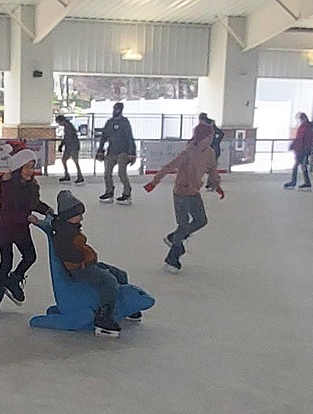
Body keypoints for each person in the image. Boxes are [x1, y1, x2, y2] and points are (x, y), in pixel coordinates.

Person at [52, 190, 135, 338]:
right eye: (78, 215)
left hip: (87, 264)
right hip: (79, 269)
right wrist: (83, 256)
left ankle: (123, 305)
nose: (81, 217)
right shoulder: (63, 232)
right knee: (109, 281)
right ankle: (103, 317)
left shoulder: (69, 227)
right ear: (68, 217)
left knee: (120, 274)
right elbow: (65, 253)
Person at [144, 123, 225, 273]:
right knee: (183, 225)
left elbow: (212, 170)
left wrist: (217, 185)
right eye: (209, 137)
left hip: (194, 192)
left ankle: (173, 237)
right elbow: (169, 167)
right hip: (181, 193)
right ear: (201, 137)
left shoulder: (210, 153)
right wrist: (154, 182)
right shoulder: (188, 153)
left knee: (201, 220)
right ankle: (172, 259)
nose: (211, 139)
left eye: (212, 137)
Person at [0, 149, 55, 310]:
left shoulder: (31, 185)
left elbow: (33, 204)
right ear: (18, 169)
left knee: (30, 256)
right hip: (5, 226)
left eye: (32, 167)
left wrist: (47, 210)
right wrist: (27, 218)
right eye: (27, 168)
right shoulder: (8, 185)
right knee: (6, 261)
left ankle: (13, 279)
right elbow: (8, 208)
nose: (31, 171)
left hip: (20, 229)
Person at [96, 102, 136, 205]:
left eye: (118, 109)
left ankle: (127, 193)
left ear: (121, 110)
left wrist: (132, 153)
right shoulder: (109, 122)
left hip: (123, 151)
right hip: (111, 151)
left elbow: (129, 138)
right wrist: (100, 150)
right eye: (115, 109)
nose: (116, 111)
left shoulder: (124, 122)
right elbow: (104, 137)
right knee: (107, 172)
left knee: (121, 173)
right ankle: (109, 191)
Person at [284, 112, 313, 190]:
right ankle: (306, 182)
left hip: (302, 150)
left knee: (297, 166)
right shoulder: (306, 127)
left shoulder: (305, 128)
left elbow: (301, 140)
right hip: (302, 150)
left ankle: (295, 182)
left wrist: (296, 147)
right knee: (302, 166)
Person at [55, 115, 85, 185]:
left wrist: (62, 144)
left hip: (72, 146)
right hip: (70, 146)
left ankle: (79, 176)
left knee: (75, 161)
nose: (59, 124)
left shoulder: (68, 126)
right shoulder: (68, 126)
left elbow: (68, 137)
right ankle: (67, 174)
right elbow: (66, 137)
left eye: (59, 122)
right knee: (64, 160)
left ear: (61, 121)